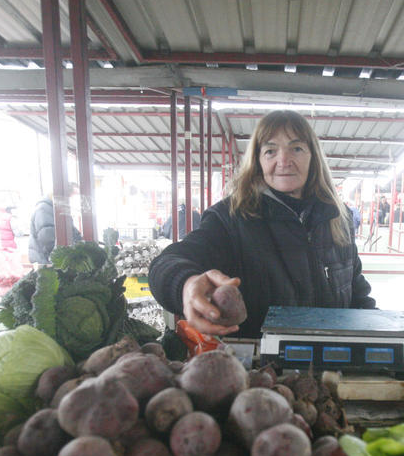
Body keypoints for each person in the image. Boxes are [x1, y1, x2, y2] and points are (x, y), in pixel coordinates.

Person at [148, 110, 376, 339]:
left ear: (313, 157)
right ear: (258, 161)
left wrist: (380, 332)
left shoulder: (339, 217)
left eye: (296, 148)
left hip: (333, 358)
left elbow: (356, 293)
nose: (283, 161)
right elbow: (168, 262)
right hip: (258, 361)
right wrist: (187, 285)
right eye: (270, 151)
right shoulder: (229, 218)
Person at [28, 188, 82, 264]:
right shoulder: (44, 209)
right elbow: (48, 238)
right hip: (45, 261)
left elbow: (73, 231)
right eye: (71, 198)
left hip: (50, 259)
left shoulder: (59, 209)